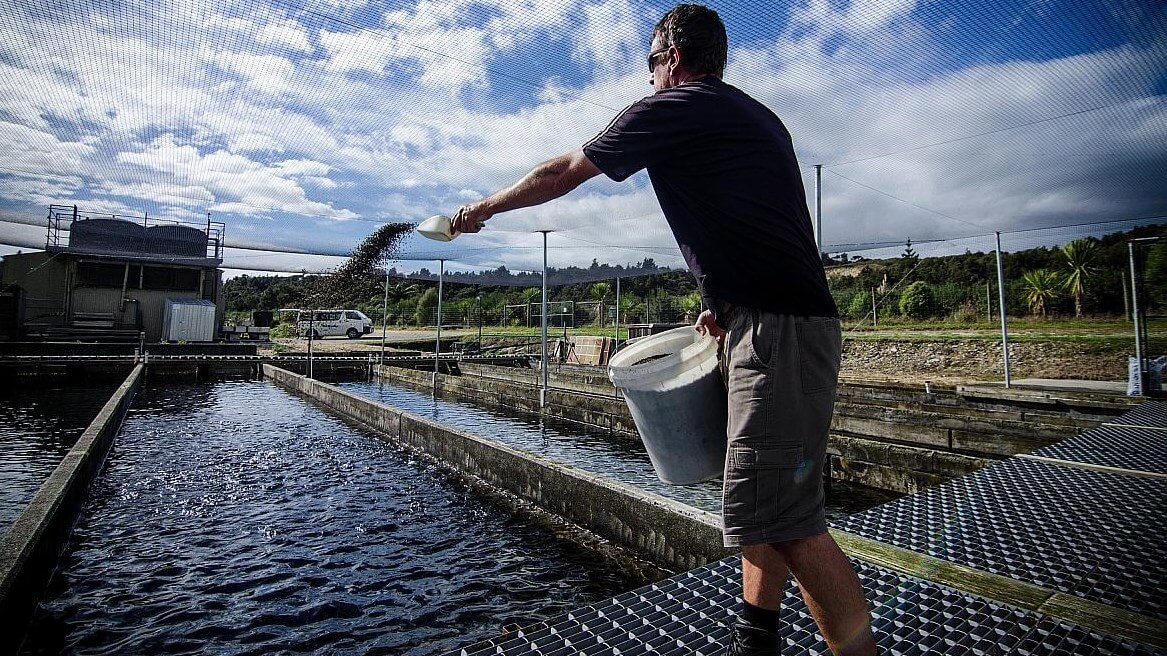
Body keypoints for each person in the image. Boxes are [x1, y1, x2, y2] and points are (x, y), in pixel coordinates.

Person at [450, 4, 877, 655]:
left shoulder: (674, 106)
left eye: (650, 64)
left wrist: (482, 208)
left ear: (671, 57)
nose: (648, 77)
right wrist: (722, 300)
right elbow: (758, 220)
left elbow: (563, 170)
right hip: (768, 320)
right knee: (761, 504)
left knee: (788, 522)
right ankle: (753, 639)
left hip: (778, 332)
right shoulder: (751, 116)